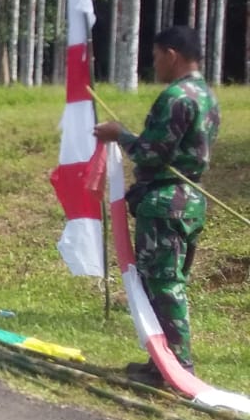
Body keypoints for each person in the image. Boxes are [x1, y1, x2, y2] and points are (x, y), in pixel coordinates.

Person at [92, 25, 220, 385]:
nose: (154, 64)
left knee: (164, 284)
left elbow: (152, 154)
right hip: (189, 200)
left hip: (168, 202)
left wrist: (120, 136)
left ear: (171, 55)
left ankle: (177, 369)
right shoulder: (207, 96)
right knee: (164, 282)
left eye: (155, 56)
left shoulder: (177, 97)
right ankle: (160, 363)